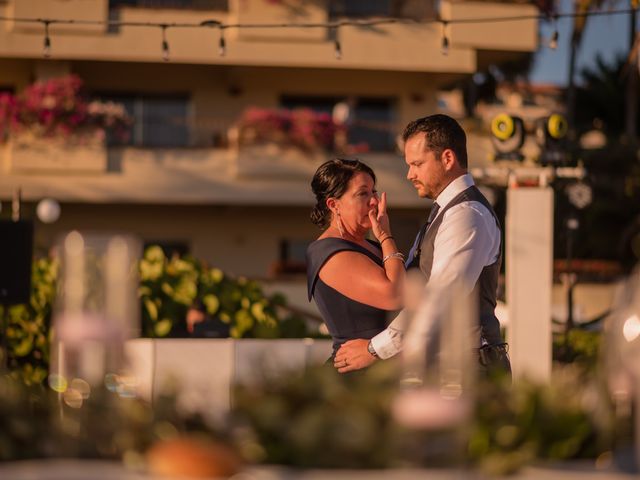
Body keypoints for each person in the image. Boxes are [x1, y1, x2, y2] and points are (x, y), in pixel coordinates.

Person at [334, 114, 511, 376]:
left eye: (417, 164)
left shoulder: (467, 215)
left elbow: (440, 298)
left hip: (471, 369)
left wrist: (374, 349)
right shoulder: (447, 212)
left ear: (448, 159)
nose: (409, 174)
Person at [306, 158, 405, 363]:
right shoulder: (329, 252)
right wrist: (386, 236)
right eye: (363, 193)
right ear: (334, 205)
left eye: (373, 191)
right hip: (355, 374)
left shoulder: (371, 245)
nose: (374, 202)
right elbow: (396, 295)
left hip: (385, 368)